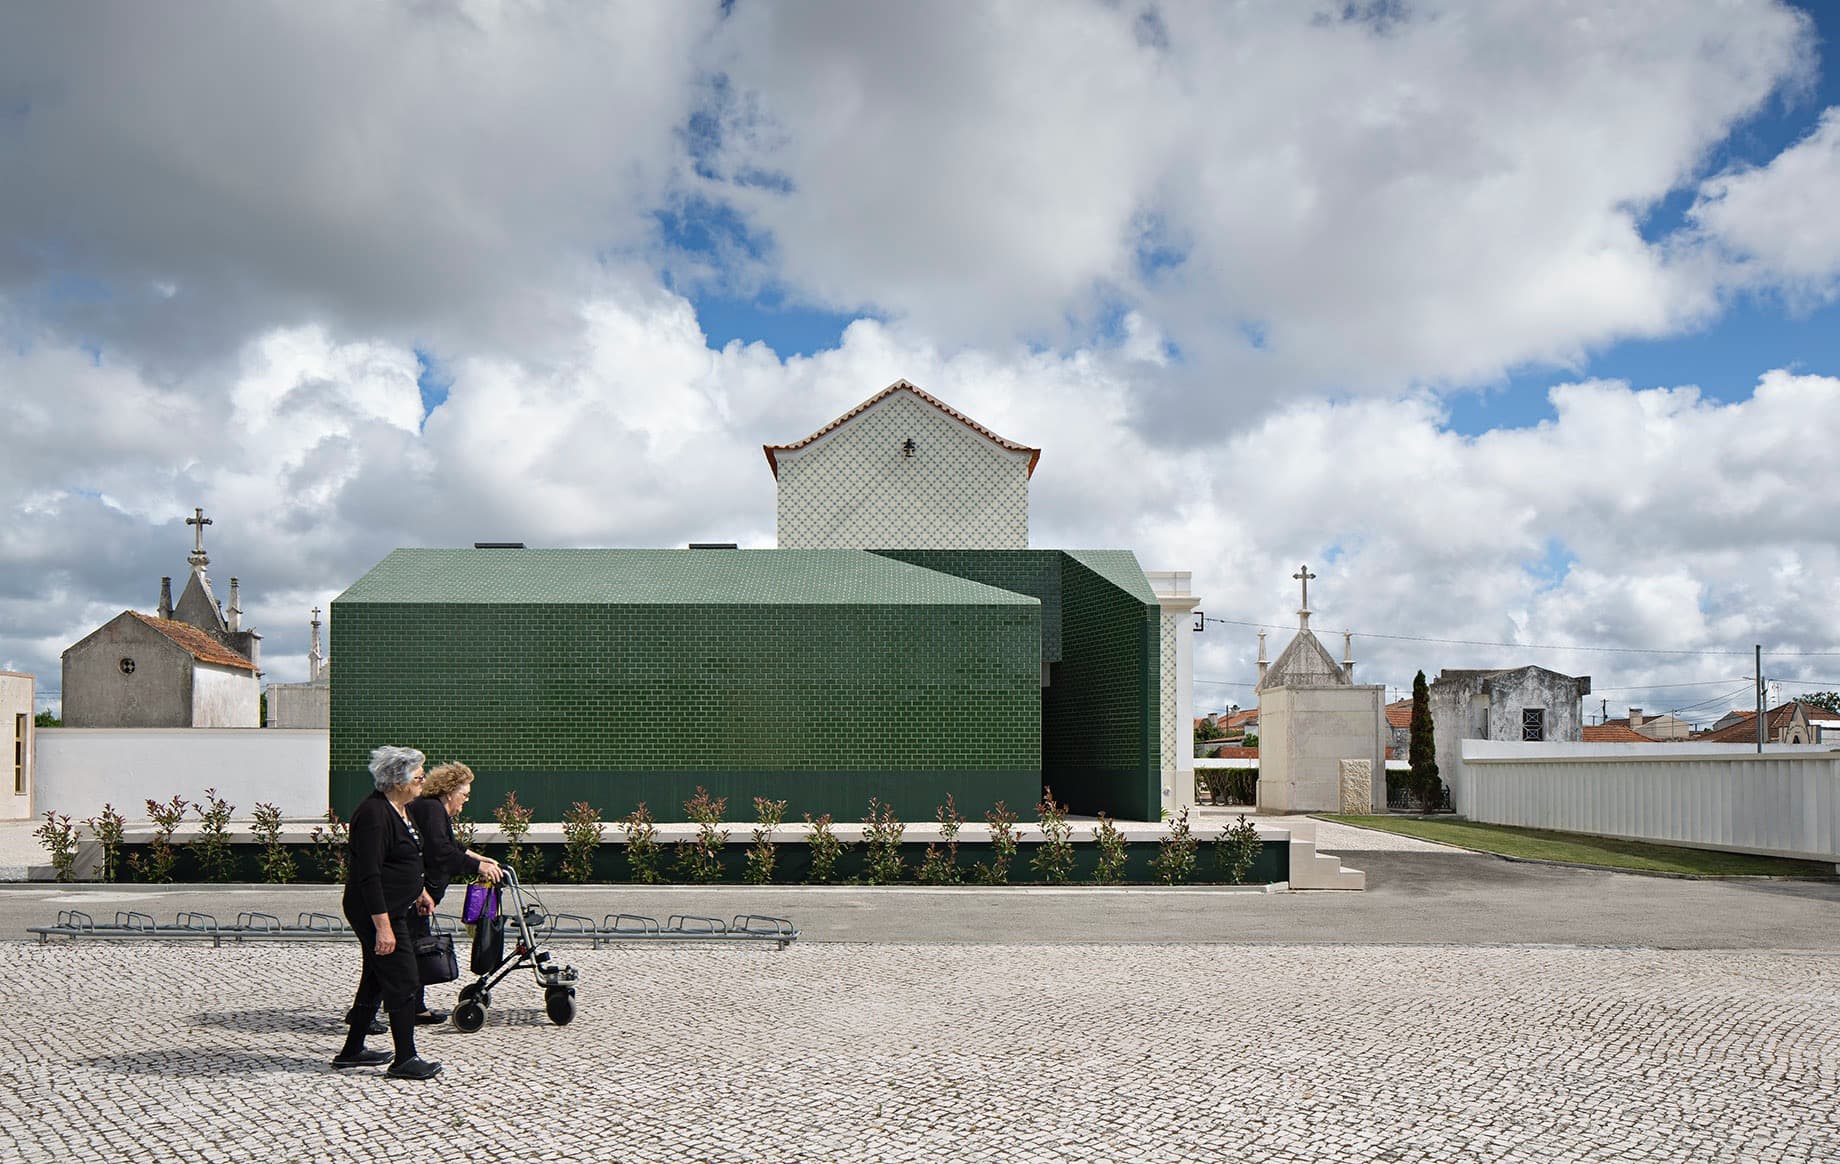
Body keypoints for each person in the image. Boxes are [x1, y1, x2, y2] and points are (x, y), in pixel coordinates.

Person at [332, 744, 442, 1079]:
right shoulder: (374, 815)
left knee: (376, 977)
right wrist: (383, 927)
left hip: (397, 906)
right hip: (377, 911)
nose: (423, 782)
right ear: (397, 781)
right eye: (418, 777)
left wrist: (419, 891)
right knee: (403, 979)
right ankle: (405, 1058)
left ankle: (352, 1050)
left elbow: (402, 859)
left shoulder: (400, 809)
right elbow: (370, 874)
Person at [406, 761, 503, 1024]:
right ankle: (406, 1009)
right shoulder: (431, 809)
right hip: (415, 894)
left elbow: (450, 845)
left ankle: (408, 1006)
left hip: (420, 894)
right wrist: (478, 867)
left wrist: (478, 858)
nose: (466, 800)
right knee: (411, 949)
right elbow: (440, 851)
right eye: (465, 794)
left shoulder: (434, 809)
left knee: (410, 948)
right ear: (449, 792)